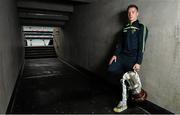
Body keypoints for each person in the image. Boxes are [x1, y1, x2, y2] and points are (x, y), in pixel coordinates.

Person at [108, 4, 148, 112]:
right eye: (129, 12)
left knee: (126, 80)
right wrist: (115, 54)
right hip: (122, 57)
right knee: (111, 69)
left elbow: (142, 47)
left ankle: (124, 102)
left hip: (133, 59)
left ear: (137, 13)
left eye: (133, 12)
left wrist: (139, 62)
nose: (131, 14)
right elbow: (119, 44)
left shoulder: (142, 27)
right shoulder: (124, 28)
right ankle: (127, 88)